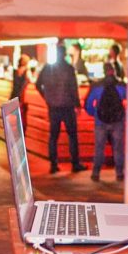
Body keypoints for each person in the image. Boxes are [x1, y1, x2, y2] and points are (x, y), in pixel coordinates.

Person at [36, 44, 86, 174]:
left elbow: (38, 84)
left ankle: (53, 164)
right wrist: (77, 104)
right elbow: (73, 88)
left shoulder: (47, 68)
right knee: (72, 135)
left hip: (53, 106)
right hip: (67, 106)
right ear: (64, 54)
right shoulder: (69, 69)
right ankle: (75, 163)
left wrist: (46, 97)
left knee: (53, 136)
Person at [84, 63, 127, 182]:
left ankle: (96, 173)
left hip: (100, 121)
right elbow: (126, 97)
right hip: (117, 121)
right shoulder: (121, 86)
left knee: (99, 148)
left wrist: (94, 113)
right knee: (118, 148)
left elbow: (88, 104)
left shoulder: (97, 86)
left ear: (103, 72)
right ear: (114, 71)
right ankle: (119, 173)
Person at [9, 55, 32, 131]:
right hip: (21, 97)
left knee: (15, 117)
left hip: (14, 95)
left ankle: (14, 132)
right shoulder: (26, 71)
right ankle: (21, 133)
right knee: (21, 118)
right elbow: (31, 80)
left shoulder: (15, 71)